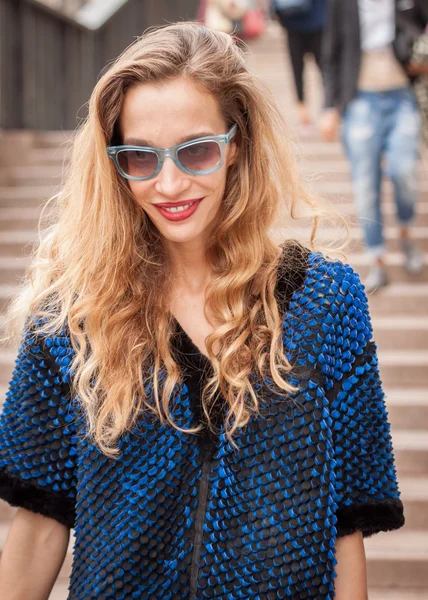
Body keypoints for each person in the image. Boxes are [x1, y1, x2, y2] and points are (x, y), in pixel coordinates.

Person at [0, 21, 404, 600]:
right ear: (114, 163)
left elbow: (347, 528)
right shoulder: (71, 316)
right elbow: (39, 527)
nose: (169, 183)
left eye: (196, 151)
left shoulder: (328, 301)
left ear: (235, 144)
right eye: (141, 157)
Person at [320, 0, 426, 294]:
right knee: (366, 186)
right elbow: (332, 51)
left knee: (404, 171)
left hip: (402, 95)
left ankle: (405, 234)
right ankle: (377, 259)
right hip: (360, 100)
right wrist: (329, 107)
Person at [273, 0, 327, 129]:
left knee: (300, 69)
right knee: (322, 69)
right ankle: (320, 111)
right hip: (313, 20)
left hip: (300, 22)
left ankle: (309, 112)